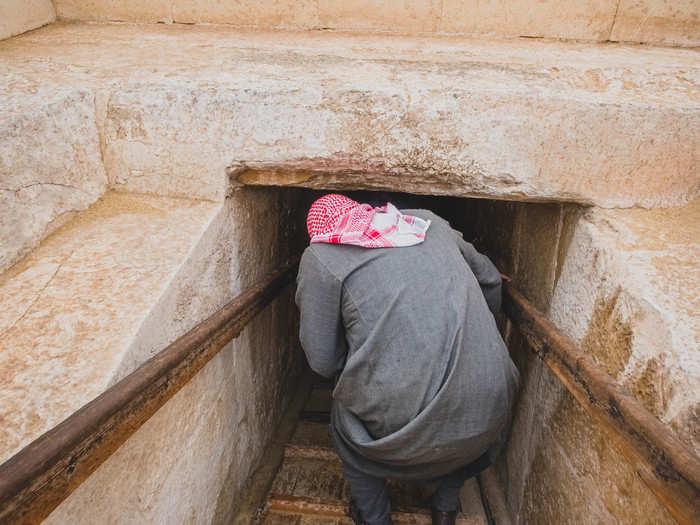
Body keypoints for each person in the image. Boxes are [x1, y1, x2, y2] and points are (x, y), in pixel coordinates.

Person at [295, 194, 520, 525]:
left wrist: (369, 356)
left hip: (400, 416)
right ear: (363, 212)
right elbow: (489, 282)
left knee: (346, 415)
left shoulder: (321, 257)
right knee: (462, 392)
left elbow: (323, 362)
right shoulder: (428, 222)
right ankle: (445, 507)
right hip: (492, 400)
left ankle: (374, 516)